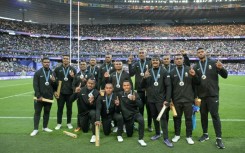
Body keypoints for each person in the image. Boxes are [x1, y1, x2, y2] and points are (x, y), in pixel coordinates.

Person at [194, 48, 228, 149]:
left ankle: (219, 139)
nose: (201, 53)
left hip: (213, 95)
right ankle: (205, 134)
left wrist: (221, 68)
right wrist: (196, 97)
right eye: (199, 52)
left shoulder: (214, 63)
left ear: (205, 53)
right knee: (203, 116)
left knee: (215, 115)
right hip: (202, 96)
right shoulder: (196, 67)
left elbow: (225, 76)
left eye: (202, 52)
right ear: (197, 55)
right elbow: (196, 83)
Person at [141, 55, 173, 148]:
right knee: (154, 117)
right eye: (153, 60)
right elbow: (142, 86)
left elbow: (168, 86)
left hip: (161, 100)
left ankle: (166, 138)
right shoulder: (148, 72)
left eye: (156, 60)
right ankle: (158, 133)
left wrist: (167, 100)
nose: (155, 61)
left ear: (159, 62)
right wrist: (144, 78)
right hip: (150, 99)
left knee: (162, 118)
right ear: (151, 62)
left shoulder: (164, 71)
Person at [170, 54, 200, 145]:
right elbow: (170, 88)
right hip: (176, 100)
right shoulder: (171, 72)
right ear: (174, 61)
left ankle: (189, 136)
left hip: (188, 99)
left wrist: (194, 76)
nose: (178, 60)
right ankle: (177, 135)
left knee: (188, 119)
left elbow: (197, 83)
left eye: (180, 59)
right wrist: (170, 99)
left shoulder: (189, 70)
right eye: (177, 59)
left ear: (183, 60)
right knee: (177, 118)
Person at [128, 50, 153, 132]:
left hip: (149, 90)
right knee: (140, 109)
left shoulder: (150, 63)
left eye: (143, 53)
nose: (141, 54)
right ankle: (140, 124)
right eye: (140, 53)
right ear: (138, 55)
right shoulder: (136, 64)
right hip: (139, 90)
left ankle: (149, 125)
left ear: (146, 54)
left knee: (149, 109)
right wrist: (129, 63)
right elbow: (131, 74)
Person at [30, 57, 56, 136]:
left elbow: (54, 86)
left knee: (47, 112)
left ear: (49, 63)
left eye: (48, 62)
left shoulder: (52, 73)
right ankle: (35, 129)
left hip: (49, 98)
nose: (47, 63)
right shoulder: (38, 73)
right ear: (42, 63)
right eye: (45, 62)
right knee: (37, 113)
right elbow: (35, 85)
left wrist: (54, 81)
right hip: (39, 98)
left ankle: (45, 127)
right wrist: (38, 96)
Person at [117, 80, 147, 147]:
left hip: (134, 114)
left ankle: (141, 139)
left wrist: (135, 100)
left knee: (141, 120)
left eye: (128, 85)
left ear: (130, 86)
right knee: (129, 135)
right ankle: (122, 131)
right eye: (125, 85)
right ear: (122, 86)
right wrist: (117, 104)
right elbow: (117, 105)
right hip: (126, 116)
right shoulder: (120, 94)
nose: (126, 87)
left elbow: (141, 105)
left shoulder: (135, 93)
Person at [70, 77, 100, 143]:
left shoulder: (97, 93)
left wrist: (92, 103)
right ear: (86, 83)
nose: (90, 85)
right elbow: (70, 100)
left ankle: (94, 135)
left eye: (92, 84)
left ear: (94, 85)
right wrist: (75, 92)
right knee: (85, 130)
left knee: (93, 114)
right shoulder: (80, 90)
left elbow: (98, 107)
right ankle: (87, 123)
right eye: (89, 83)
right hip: (83, 113)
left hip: (92, 111)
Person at [53, 55, 77, 130]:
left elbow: (76, 81)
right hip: (60, 93)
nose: (65, 60)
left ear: (69, 60)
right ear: (62, 60)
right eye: (64, 58)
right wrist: (55, 91)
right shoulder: (57, 69)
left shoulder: (73, 69)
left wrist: (73, 77)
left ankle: (69, 123)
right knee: (60, 108)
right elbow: (53, 81)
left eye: (67, 59)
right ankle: (59, 123)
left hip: (70, 93)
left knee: (69, 109)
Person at [72, 61, 91, 132]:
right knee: (80, 111)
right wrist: (75, 89)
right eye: (81, 64)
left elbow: (93, 85)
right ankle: (79, 125)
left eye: (84, 64)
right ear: (79, 66)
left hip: (88, 96)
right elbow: (73, 85)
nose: (82, 65)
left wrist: (86, 81)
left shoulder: (90, 74)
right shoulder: (77, 75)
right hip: (79, 96)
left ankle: (89, 124)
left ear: (86, 65)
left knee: (89, 110)